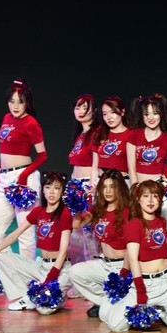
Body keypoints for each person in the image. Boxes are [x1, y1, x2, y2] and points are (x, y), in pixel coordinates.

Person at [99, 180, 167, 332]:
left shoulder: (162, 221)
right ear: (138, 199)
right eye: (146, 196)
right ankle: (143, 308)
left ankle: (158, 313)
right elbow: (132, 257)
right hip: (145, 284)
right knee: (116, 326)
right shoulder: (134, 224)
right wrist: (138, 288)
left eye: (155, 196)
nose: (151, 200)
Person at [0, 172, 73, 313]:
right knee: (0, 257)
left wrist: (51, 277)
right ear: (42, 190)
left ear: (62, 192)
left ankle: (50, 297)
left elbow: (63, 251)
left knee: (44, 310)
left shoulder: (65, 214)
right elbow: (15, 234)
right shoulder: (38, 211)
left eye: (56, 188)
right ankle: (27, 297)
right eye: (48, 187)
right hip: (41, 266)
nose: (52, 192)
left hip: (60, 269)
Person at [0, 77, 47, 261]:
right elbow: (3, 152)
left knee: (25, 234)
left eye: (20, 102)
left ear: (27, 102)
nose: (15, 106)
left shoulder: (31, 123)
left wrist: (23, 177)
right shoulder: (6, 118)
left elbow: (43, 155)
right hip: (5, 178)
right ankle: (13, 268)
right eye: (12, 101)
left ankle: (27, 274)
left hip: (24, 178)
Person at [68, 169, 131, 317]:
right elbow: (76, 224)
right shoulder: (98, 209)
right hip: (104, 264)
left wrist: (124, 272)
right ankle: (105, 301)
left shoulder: (127, 211)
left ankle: (112, 303)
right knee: (75, 272)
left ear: (119, 188)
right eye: (104, 187)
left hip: (122, 266)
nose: (107, 191)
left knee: (106, 316)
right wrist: (78, 205)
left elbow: (132, 246)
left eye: (112, 187)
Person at [126, 93, 167, 254]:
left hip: (160, 190)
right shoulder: (134, 135)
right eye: (147, 114)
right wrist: (136, 190)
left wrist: (164, 185)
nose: (151, 118)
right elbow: (131, 167)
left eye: (155, 113)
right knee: (139, 227)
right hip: (139, 189)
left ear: (161, 114)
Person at [67, 93, 101, 297]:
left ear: (93, 111)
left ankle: (94, 283)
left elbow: (96, 162)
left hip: (88, 186)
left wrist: (93, 186)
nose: (80, 111)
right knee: (75, 236)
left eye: (85, 108)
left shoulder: (96, 132)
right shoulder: (80, 134)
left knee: (90, 235)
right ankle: (80, 282)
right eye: (77, 107)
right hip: (76, 186)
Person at [90, 96, 131, 189]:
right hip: (101, 182)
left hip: (122, 183)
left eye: (113, 112)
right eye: (105, 114)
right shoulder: (99, 134)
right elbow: (95, 166)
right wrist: (92, 186)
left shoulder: (131, 134)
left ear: (122, 112)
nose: (109, 117)